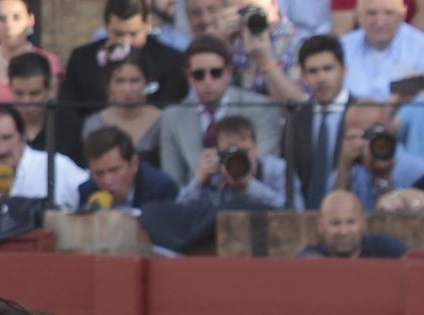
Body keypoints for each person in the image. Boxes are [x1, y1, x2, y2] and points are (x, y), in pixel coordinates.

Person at [159, 36, 283, 186]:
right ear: (189, 77)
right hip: (195, 204)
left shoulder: (261, 108)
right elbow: (172, 181)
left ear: (229, 72)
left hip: (250, 200)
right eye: (199, 75)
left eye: (215, 72)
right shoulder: (173, 116)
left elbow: (265, 169)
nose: (208, 81)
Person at [60, 0, 191, 116]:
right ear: (106, 27)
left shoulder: (171, 61)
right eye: (118, 33)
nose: (126, 41)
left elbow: (171, 111)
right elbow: (68, 112)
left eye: (133, 34)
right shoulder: (82, 60)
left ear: (147, 25)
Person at [0, 0, 63, 144]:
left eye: (16, 17)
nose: (9, 26)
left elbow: (50, 116)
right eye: (1, 19)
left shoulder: (49, 62)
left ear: (30, 20)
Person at [0, 104, 90, 211]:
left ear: (23, 136)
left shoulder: (56, 166)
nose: (1, 149)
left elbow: (91, 194)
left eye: (7, 138)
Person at [288, 34, 355, 210]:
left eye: (328, 69)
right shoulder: (296, 118)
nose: (321, 78)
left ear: (344, 70)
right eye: (313, 71)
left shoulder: (362, 113)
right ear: (302, 75)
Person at [177, 114, 301, 208]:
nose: (238, 158)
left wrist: (249, 185)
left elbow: (297, 211)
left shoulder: (278, 170)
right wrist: (199, 181)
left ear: (256, 147)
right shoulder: (214, 175)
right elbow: (180, 210)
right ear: (218, 152)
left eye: (244, 151)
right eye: (230, 152)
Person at [333, 100, 424, 208]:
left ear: (391, 127)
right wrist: (344, 168)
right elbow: (333, 212)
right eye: (363, 135)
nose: (371, 141)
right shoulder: (351, 168)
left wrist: (383, 174)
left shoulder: (419, 171)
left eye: (376, 132)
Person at [341, 0, 424, 101]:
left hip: (405, 116)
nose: (380, 22)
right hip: (349, 115)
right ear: (358, 15)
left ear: (403, 14)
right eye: (371, 13)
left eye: (389, 13)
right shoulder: (343, 47)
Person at [80, 47, 165, 166]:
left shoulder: (162, 121)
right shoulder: (95, 124)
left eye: (134, 81)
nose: (127, 89)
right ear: (109, 85)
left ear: (145, 83)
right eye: (120, 81)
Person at [5, 51, 85, 165]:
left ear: (48, 90)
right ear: (10, 88)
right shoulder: (1, 125)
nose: (26, 101)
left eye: (34, 93)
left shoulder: (71, 126)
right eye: (19, 93)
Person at [77, 124, 179, 208]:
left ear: (134, 164)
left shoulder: (161, 190)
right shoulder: (87, 193)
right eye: (99, 173)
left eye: (114, 170)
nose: (107, 181)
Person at [300, 188, 409, 256]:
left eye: (351, 222)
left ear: (363, 222)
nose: (344, 231)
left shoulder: (385, 249)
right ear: (321, 226)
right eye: (335, 223)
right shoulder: (312, 256)